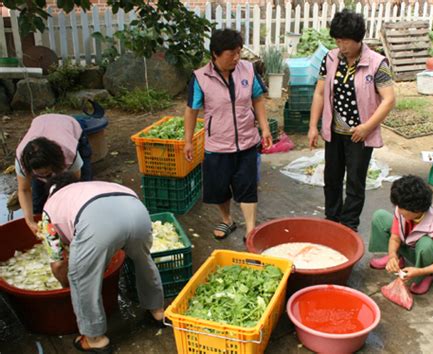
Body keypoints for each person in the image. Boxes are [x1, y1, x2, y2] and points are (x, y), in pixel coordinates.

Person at [41, 173, 164, 353]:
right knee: (143, 260)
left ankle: (95, 339)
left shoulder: (49, 208)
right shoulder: (92, 186)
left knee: (81, 278)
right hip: (137, 211)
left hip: (97, 224)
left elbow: (59, 264)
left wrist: (67, 285)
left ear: (50, 193)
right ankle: (158, 312)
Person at [308, 9, 396, 231]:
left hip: (360, 135)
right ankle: (331, 220)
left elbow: (388, 100)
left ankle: (348, 226)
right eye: (337, 40)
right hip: (334, 132)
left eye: (345, 41)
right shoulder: (330, 58)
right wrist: (313, 126)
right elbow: (319, 93)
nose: (341, 46)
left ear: (359, 39)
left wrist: (367, 127)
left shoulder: (377, 63)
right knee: (332, 179)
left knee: (355, 184)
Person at [183, 29, 272, 241]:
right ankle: (227, 219)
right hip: (217, 144)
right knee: (219, 189)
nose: (236, 57)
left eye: (238, 52)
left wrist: (265, 128)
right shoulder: (200, 77)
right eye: (231, 53)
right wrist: (187, 140)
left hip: (247, 141)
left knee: (247, 186)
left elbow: (258, 99)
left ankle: (250, 230)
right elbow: (191, 110)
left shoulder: (248, 70)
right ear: (215, 53)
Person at [369, 175, 433, 295]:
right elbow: (395, 237)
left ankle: (426, 275)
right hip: (409, 245)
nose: (398, 211)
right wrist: (392, 255)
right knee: (380, 216)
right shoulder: (402, 210)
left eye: (402, 208)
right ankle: (398, 260)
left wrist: (420, 271)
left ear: (416, 210)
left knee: (426, 244)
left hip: (427, 256)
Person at [16, 113, 92, 234]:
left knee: (85, 188)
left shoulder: (69, 153)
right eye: (40, 173)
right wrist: (29, 221)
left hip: (68, 125)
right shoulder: (22, 160)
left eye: (47, 172)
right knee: (37, 203)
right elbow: (24, 190)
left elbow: (74, 187)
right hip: (41, 122)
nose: (45, 175)